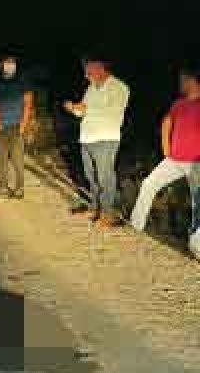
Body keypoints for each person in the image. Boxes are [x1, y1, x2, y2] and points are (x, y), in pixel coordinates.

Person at [130, 63, 200, 256]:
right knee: (149, 184)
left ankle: (196, 246)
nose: (180, 84)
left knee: (198, 203)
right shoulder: (178, 103)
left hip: (196, 163)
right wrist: (166, 149)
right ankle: (135, 226)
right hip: (175, 159)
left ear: (192, 81)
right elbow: (166, 123)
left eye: (182, 80)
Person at [61, 57, 130, 227]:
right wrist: (73, 108)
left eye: (89, 70)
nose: (86, 75)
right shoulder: (91, 88)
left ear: (100, 68)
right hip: (87, 137)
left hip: (106, 138)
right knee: (91, 176)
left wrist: (86, 109)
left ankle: (108, 213)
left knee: (105, 176)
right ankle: (95, 207)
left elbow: (114, 112)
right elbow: (82, 112)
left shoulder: (119, 87)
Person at [0, 54, 35, 199]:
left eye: (12, 62)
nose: (10, 65)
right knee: (0, 158)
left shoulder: (22, 80)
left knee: (17, 159)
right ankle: (3, 185)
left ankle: (19, 188)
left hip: (16, 126)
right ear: (1, 64)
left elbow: (28, 103)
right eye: (7, 62)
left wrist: (23, 125)